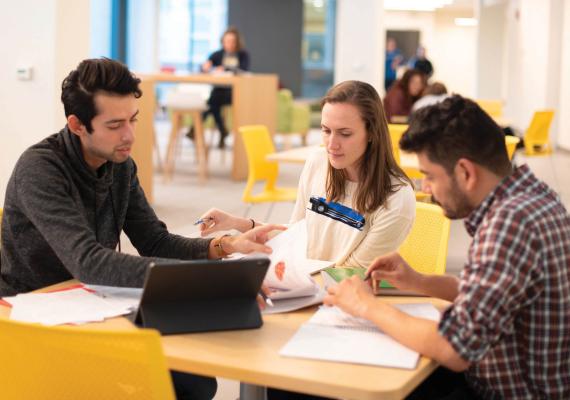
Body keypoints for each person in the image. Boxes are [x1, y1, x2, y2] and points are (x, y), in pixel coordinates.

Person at [0, 58, 283, 400]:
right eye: (115, 124)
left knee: (194, 378)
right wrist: (203, 283)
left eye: (133, 119)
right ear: (77, 125)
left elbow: (154, 240)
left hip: (94, 303)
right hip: (33, 315)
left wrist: (225, 245)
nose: (130, 135)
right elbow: (88, 262)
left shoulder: (120, 165)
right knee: (178, 384)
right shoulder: (40, 170)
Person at [325, 95, 570, 399]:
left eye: (429, 176)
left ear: (466, 173)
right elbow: (490, 293)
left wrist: (366, 306)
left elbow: (455, 347)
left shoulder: (510, 223)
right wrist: (419, 282)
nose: (425, 188)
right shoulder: (535, 197)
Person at [198, 80, 416, 270]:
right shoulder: (318, 162)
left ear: (372, 133)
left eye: (345, 133)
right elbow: (296, 237)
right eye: (326, 130)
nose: (332, 144)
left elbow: (353, 273)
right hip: (307, 284)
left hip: (348, 297)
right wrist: (237, 222)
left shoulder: (396, 197)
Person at [190, 26, 250, 149]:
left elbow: (244, 70)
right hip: (219, 90)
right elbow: (203, 67)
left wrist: (226, 68)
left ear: (237, 42)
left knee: (211, 103)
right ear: (223, 41)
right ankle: (222, 130)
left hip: (235, 92)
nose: (229, 44)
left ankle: (196, 128)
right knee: (214, 101)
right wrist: (205, 67)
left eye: (232, 41)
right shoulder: (217, 54)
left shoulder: (243, 55)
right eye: (227, 41)